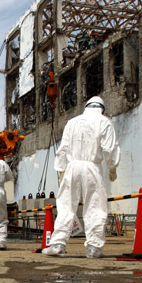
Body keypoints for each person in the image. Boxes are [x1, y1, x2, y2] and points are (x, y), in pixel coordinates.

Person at [44, 96, 120, 258]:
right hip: (92, 167)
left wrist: (61, 170)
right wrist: (112, 167)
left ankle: (57, 244)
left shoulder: (72, 122)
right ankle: (94, 247)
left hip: (72, 167)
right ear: (101, 108)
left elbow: (63, 148)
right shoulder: (104, 122)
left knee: (65, 206)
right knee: (95, 206)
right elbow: (109, 149)